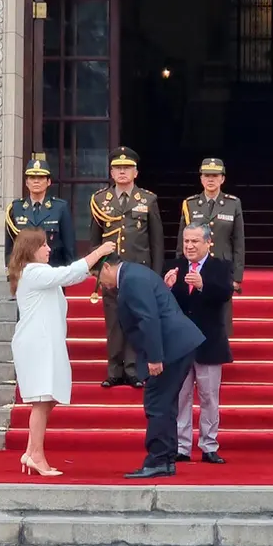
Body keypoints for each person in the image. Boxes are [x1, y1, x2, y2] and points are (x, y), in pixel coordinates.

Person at [7, 230, 115, 476]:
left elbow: (70, 277)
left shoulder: (39, 273)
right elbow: (66, 274)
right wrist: (97, 252)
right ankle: (35, 454)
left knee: (49, 397)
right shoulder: (34, 272)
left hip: (47, 342)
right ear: (31, 249)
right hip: (37, 343)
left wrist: (91, 269)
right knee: (41, 401)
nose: (48, 249)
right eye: (43, 245)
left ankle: (31, 449)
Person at [96, 254, 206, 478]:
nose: (101, 285)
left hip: (169, 348)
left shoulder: (131, 279)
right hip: (176, 345)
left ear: (107, 266)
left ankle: (158, 459)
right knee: (165, 404)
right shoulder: (135, 273)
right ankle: (165, 459)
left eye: (99, 278)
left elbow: (148, 318)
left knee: (156, 403)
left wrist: (155, 357)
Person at [89, 146, 164, 389]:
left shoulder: (148, 199)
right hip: (110, 271)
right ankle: (114, 369)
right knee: (113, 320)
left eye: (127, 168)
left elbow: (156, 240)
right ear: (111, 172)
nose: (122, 172)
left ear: (136, 172)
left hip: (138, 270)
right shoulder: (100, 200)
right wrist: (96, 268)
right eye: (118, 168)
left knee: (135, 318)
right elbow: (94, 238)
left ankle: (133, 369)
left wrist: (156, 273)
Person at [166, 223, 235, 464]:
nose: (189, 246)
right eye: (186, 241)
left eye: (195, 241)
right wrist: (166, 287)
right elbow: (163, 304)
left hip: (209, 342)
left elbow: (225, 293)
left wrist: (202, 285)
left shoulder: (220, 266)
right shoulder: (173, 266)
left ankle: (209, 446)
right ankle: (182, 447)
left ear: (208, 243)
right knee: (181, 397)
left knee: (209, 397)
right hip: (180, 344)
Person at [178, 157, 245, 334]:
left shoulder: (233, 203)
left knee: (220, 316)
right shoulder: (190, 204)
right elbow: (181, 240)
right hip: (194, 266)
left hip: (221, 266)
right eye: (207, 175)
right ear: (201, 178)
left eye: (215, 176)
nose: (211, 179)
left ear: (222, 179)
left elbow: (238, 241)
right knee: (193, 311)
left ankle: (218, 353)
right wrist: (179, 268)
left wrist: (237, 276)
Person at [4, 158, 76, 269]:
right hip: (24, 272)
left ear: (49, 182)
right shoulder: (16, 208)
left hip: (53, 271)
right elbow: (10, 248)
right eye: (32, 178)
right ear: (27, 182)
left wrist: (70, 273)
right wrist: (11, 273)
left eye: (41, 178)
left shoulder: (60, 207)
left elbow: (69, 246)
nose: (36, 181)